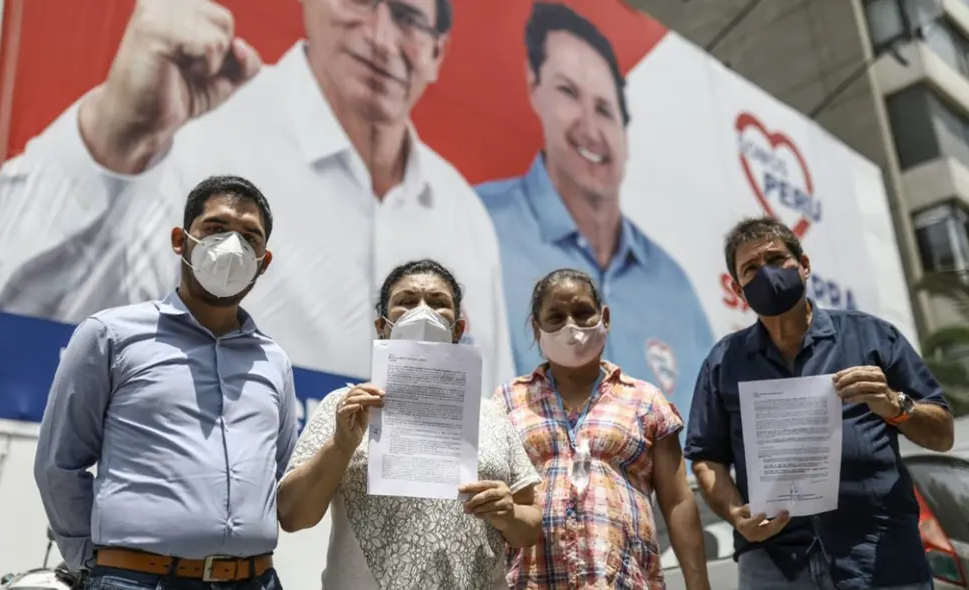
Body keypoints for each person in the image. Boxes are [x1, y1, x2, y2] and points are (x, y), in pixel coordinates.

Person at [0, 0, 513, 399]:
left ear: (438, 51)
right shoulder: (195, 130)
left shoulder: (463, 216)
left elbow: (492, 419)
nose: (378, 35)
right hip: (221, 525)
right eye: (358, 2)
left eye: (407, 17)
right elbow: (18, 332)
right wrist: (117, 140)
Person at [33, 176, 298, 589]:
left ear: (263, 262)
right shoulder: (111, 335)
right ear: (181, 240)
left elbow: (279, 474)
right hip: (138, 580)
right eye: (215, 229)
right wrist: (95, 564)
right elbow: (59, 465)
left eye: (250, 237)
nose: (233, 247)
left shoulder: (274, 361)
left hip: (255, 580)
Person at [684, 216, 955, 590]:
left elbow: (942, 435)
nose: (766, 274)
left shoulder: (872, 337)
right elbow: (706, 458)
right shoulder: (723, 363)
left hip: (879, 554)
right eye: (751, 269)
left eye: (777, 260)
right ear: (739, 290)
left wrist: (896, 405)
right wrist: (735, 513)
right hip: (775, 563)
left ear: (805, 266)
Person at [476, 2, 712, 408]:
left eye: (604, 109)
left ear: (624, 127)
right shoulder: (479, 227)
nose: (590, 127)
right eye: (568, 92)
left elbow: (705, 440)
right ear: (534, 90)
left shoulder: (674, 285)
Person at [278, 259, 543, 590]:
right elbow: (292, 516)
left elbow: (530, 526)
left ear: (459, 329)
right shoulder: (345, 407)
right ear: (382, 325)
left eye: (437, 303)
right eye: (406, 301)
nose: (422, 311)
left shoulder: (491, 415)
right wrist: (341, 445)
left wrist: (508, 515)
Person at [494, 268, 711, 590]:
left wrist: (698, 584)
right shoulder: (506, 403)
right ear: (536, 327)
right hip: (531, 581)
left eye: (583, 313)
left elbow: (678, 500)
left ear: (604, 317)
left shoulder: (645, 400)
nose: (572, 327)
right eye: (556, 317)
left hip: (622, 580)